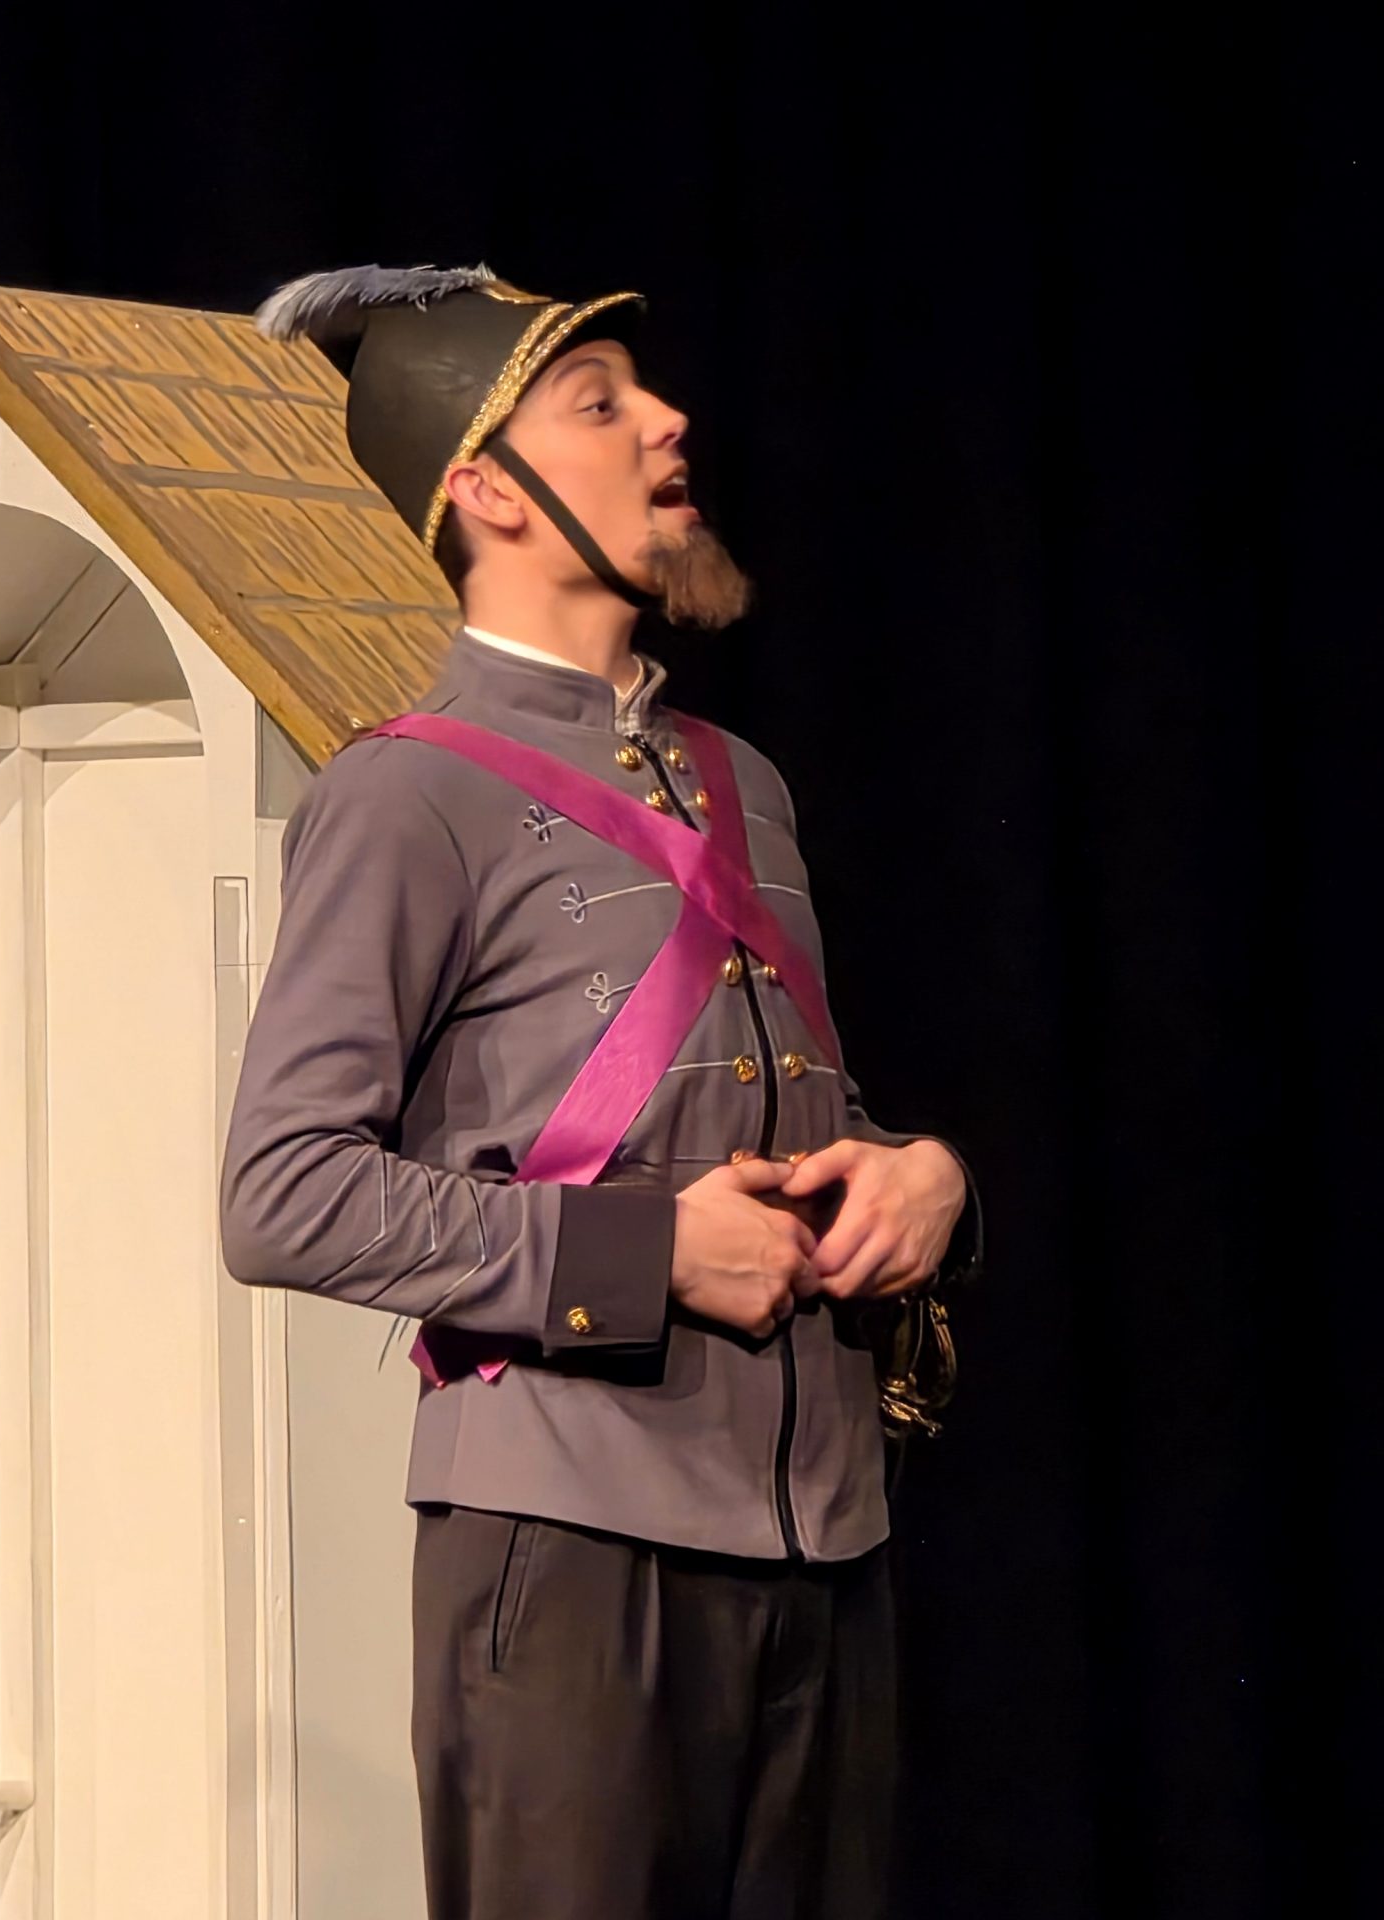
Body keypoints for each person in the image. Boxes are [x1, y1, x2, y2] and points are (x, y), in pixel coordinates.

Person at [222, 264, 978, 1920]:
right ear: (488, 490)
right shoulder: (404, 795)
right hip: (570, 1554)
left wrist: (923, 1179)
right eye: (602, 402)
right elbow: (281, 1191)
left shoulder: (741, 781)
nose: (668, 421)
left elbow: (772, 1110)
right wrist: (650, 1254)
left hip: (824, 1547)